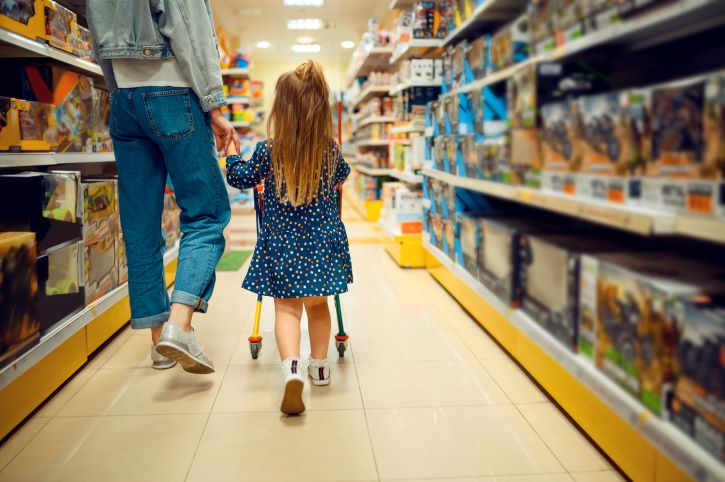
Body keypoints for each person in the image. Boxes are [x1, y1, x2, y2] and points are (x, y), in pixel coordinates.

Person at [86, 1, 239, 373]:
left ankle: (158, 340)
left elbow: (95, 27)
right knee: (206, 214)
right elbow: (189, 27)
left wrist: (120, 88)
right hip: (173, 94)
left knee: (140, 224)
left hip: (124, 98)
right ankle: (180, 323)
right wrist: (214, 107)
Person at [225, 60, 353, 415]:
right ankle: (321, 366)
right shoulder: (330, 150)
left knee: (287, 309)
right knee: (317, 305)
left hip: (283, 244)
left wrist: (232, 154)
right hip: (322, 243)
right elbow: (343, 177)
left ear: (280, 109)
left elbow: (240, 179)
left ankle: (291, 370)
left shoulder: (268, 150)